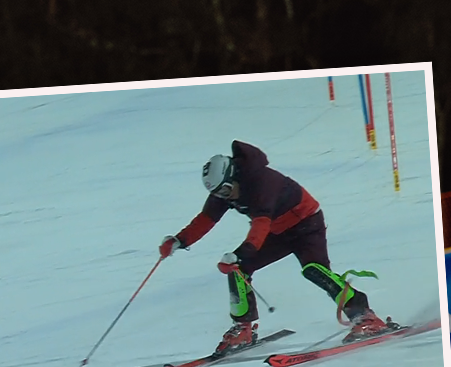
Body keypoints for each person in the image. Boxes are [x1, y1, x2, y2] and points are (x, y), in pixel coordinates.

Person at [159, 140, 396, 355]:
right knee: (238, 269)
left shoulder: (261, 181)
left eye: (224, 190)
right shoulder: (226, 192)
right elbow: (206, 219)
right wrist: (179, 241)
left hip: (306, 224)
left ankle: (365, 317)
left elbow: (261, 224)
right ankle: (243, 328)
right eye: (217, 193)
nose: (223, 196)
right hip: (277, 231)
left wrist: (240, 253)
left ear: (233, 176)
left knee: (314, 269)